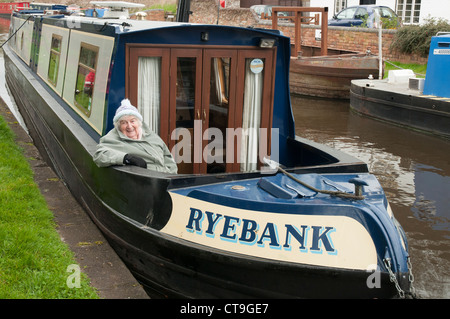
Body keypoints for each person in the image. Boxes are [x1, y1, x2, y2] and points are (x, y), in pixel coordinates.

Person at [93, 99, 178, 174]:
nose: (129, 126)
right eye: (124, 122)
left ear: (138, 122)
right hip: (147, 181)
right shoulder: (112, 139)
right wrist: (126, 158)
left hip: (166, 179)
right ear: (118, 126)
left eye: (132, 121)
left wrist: (172, 175)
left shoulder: (150, 135)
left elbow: (167, 157)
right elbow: (99, 155)